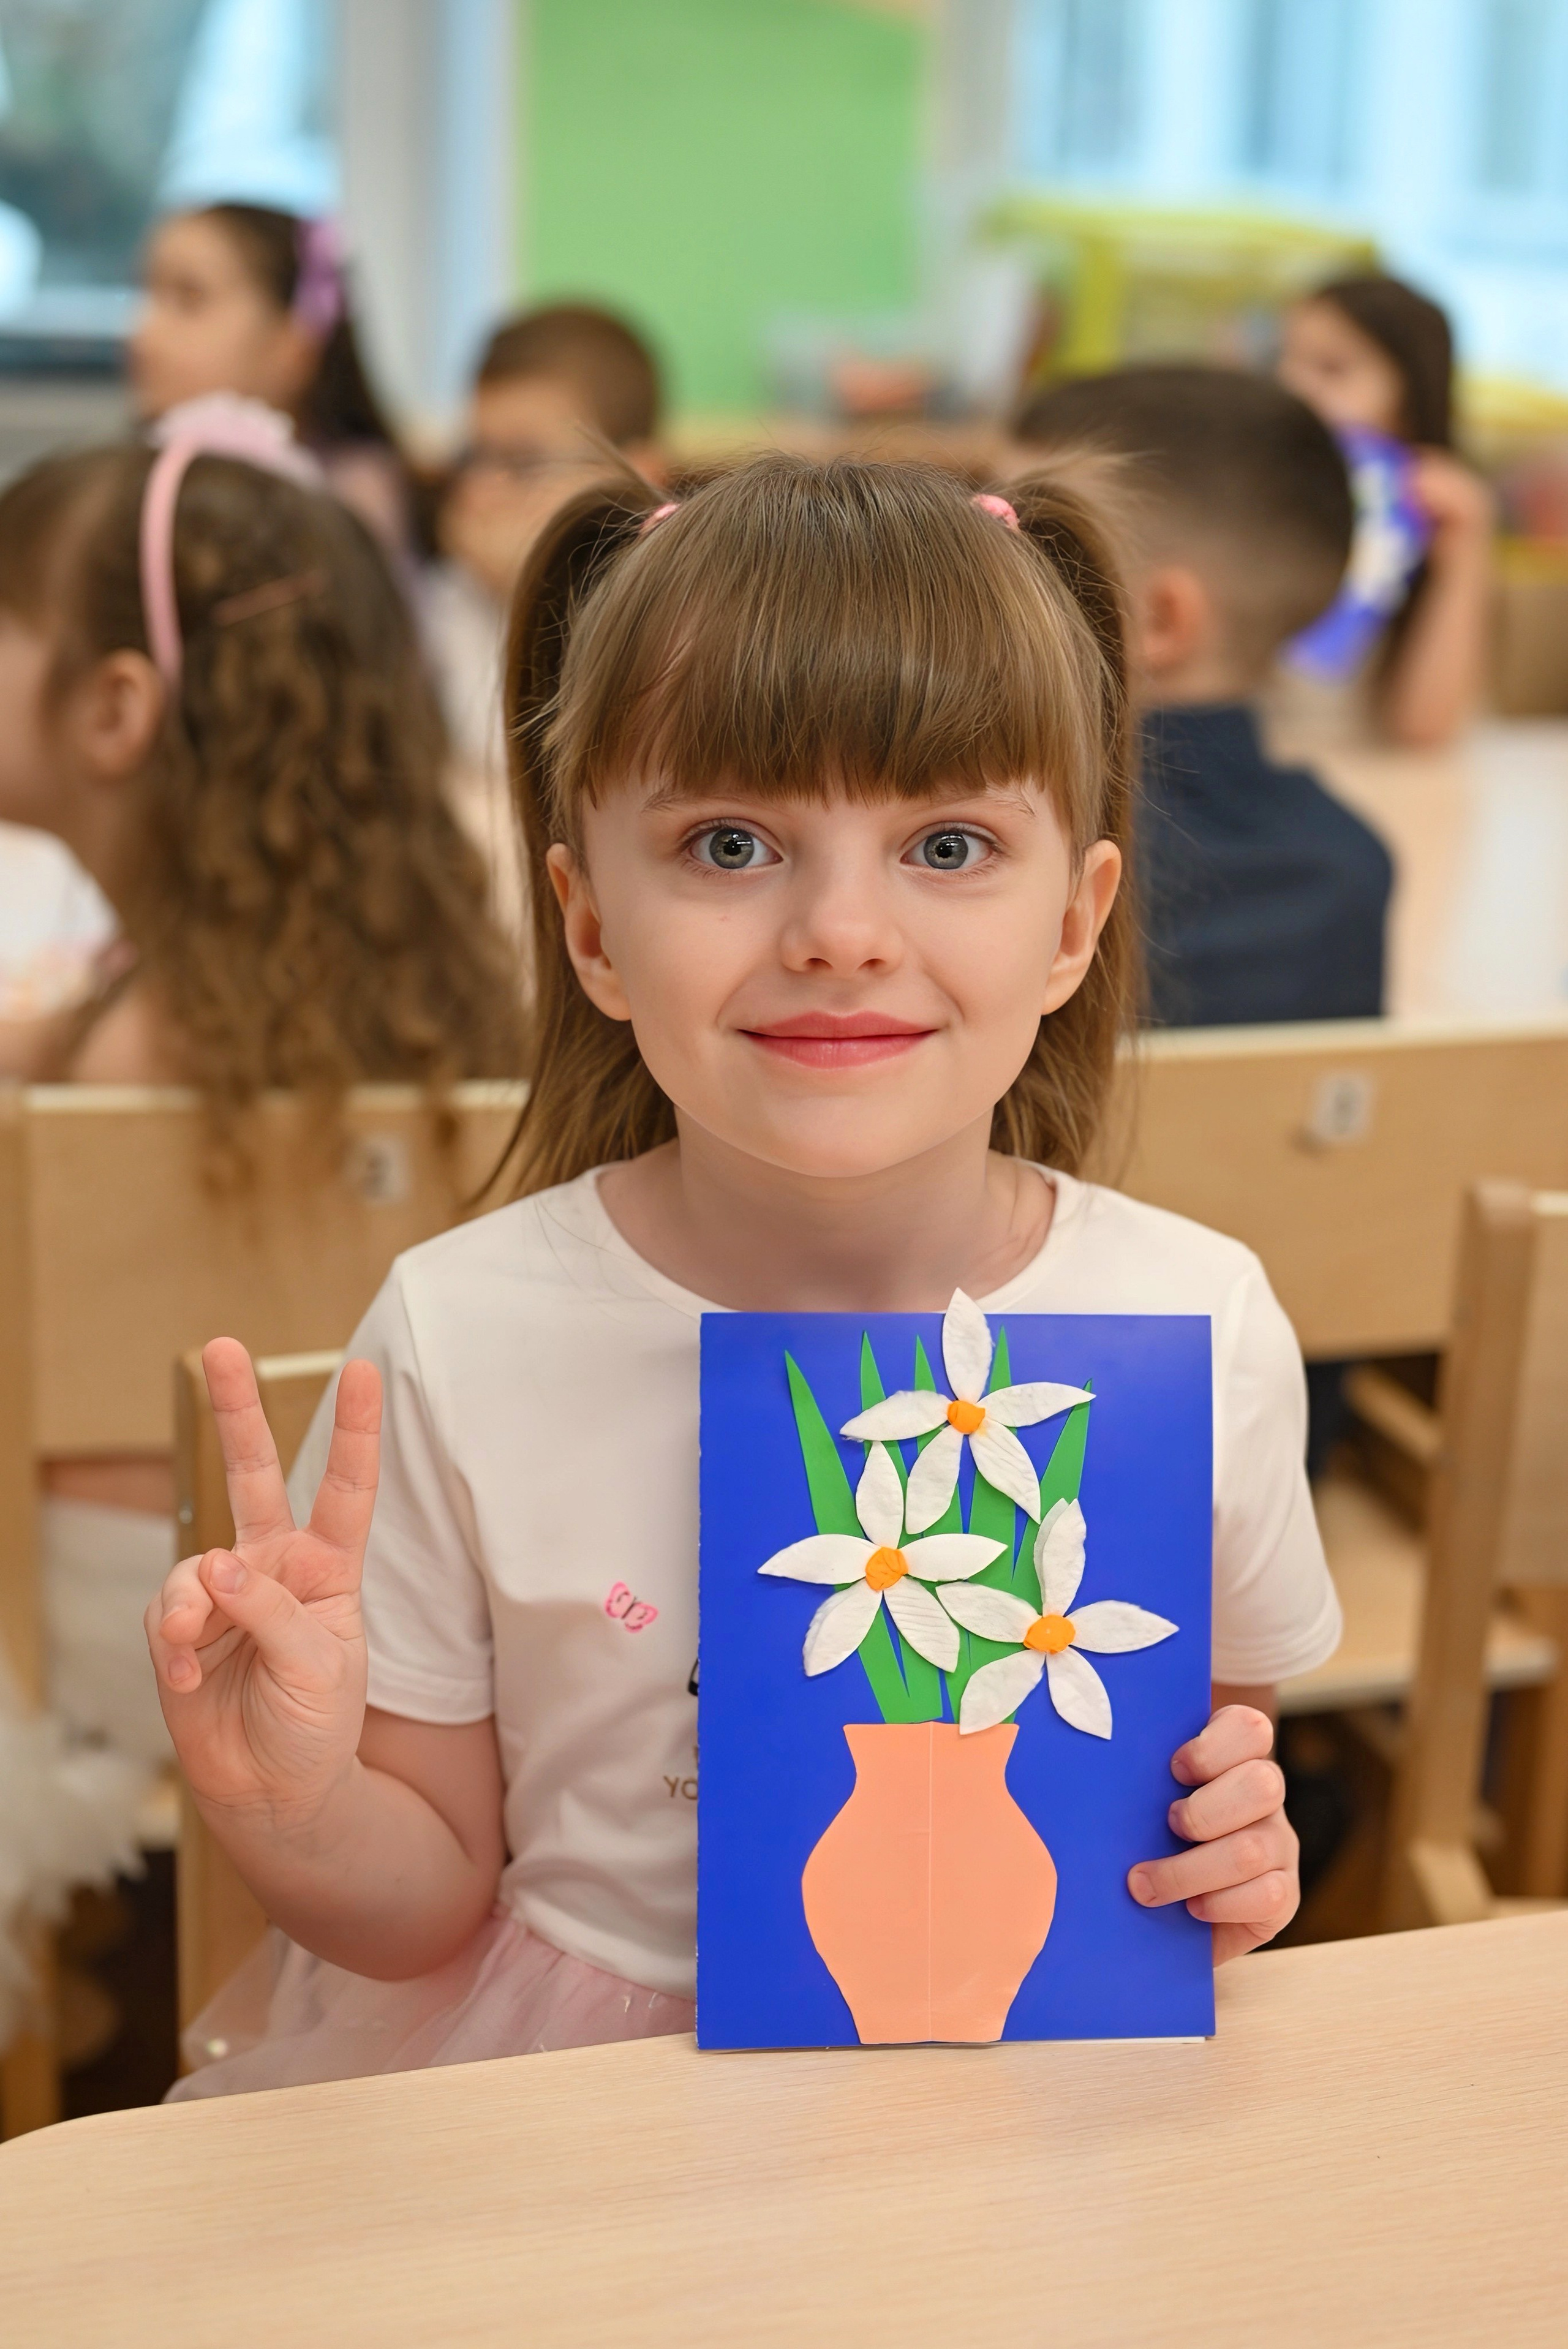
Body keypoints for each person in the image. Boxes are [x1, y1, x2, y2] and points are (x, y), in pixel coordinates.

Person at [147, 454, 1340, 2099]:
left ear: (1077, 918)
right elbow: (419, 1903)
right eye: (728, 843)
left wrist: (1234, 1863)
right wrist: (289, 1802)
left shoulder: (1197, 1326)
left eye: (945, 844)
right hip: (585, 2104)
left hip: (1024, 2090)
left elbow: (1194, 1789)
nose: (840, 930)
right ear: (589, 926)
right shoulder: (466, 1329)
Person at [0, 397, 524, 1773]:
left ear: (115, 707)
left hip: (127, 1634)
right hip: (407, 1640)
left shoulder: (105, 1064)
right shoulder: (457, 1015)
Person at [1015, 365, 1393, 1030]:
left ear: (1160, 621)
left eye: (1029, 544)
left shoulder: (1000, 860)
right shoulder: (1350, 867)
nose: (979, 575)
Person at [424, 304, 665, 929]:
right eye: (472, 457)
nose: (481, 491)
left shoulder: (656, 614)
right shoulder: (448, 604)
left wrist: (528, 589)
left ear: (634, 474)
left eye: (523, 464)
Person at [1276, 273, 1494, 749]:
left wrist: (1465, 556)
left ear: (1409, 404)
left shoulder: (1433, 520)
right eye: (1282, 359)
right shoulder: (1253, 498)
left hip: (1374, 783)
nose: (1292, 386)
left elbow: (1424, 730)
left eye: (1332, 369)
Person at [129, 202, 410, 562]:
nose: (143, 334)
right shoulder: (130, 486)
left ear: (295, 344)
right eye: (147, 293)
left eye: (189, 298)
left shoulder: (352, 499)